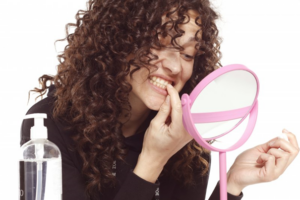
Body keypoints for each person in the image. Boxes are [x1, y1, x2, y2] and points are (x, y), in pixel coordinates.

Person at [20, 0, 299, 200]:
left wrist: (233, 184)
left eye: (188, 54)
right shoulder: (49, 125)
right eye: (159, 43)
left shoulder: (186, 133)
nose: (176, 67)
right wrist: (152, 161)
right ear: (119, 41)